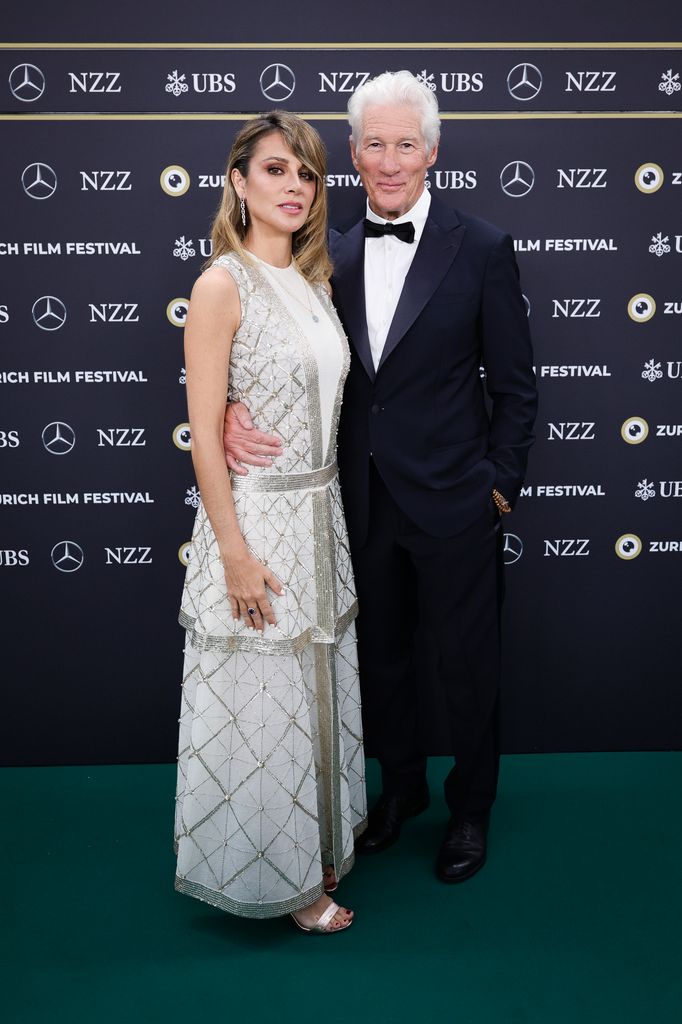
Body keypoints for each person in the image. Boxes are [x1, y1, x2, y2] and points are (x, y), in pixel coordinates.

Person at [223, 73, 537, 884]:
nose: (389, 161)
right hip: (357, 501)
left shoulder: (483, 246)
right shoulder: (325, 253)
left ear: (431, 151)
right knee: (381, 663)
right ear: (352, 153)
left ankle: (470, 808)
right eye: (373, 143)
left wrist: (497, 487)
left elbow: (515, 387)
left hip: (457, 501)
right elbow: (282, 353)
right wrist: (228, 410)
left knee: (469, 667)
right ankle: (399, 792)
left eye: (406, 143)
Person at [174, 111, 366, 934]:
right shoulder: (222, 283)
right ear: (239, 182)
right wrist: (234, 555)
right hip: (258, 523)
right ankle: (285, 887)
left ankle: (314, 847)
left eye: (308, 174)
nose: (295, 187)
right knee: (265, 700)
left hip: (322, 514)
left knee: (311, 692)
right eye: (277, 170)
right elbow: (204, 435)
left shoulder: (316, 281)